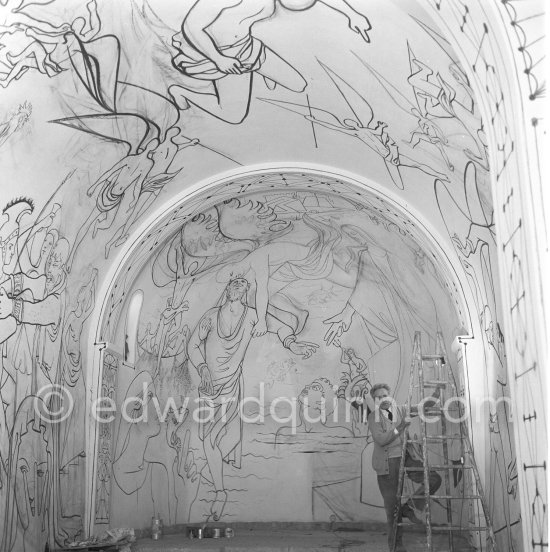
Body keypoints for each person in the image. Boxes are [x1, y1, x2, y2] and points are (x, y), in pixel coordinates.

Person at [187, 276, 318, 520]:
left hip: (230, 385)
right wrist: (202, 367)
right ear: (226, 290)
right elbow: (193, 345)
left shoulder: (252, 317)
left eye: (242, 288)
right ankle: (219, 489)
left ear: (246, 294)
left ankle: (218, 487)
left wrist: (292, 344)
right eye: (233, 286)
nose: (236, 291)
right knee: (210, 440)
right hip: (209, 386)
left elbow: (279, 326)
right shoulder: (210, 316)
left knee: (220, 438)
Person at [169, 0, 371, 124]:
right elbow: (191, 27)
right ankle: (181, 92)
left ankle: (259, 70)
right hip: (212, 55)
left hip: (246, 48)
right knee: (233, 116)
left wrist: (352, 14)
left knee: (298, 85)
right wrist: (219, 59)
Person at [367, 383, 442, 552]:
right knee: (393, 510)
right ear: (375, 400)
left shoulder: (400, 409)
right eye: (378, 397)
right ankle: (396, 546)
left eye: (385, 395)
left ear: (389, 395)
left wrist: (435, 395)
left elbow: (422, 407)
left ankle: (408, 508)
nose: (383, 399)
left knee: (434, 478)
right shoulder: (373, 417)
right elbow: (382, 440)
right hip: (387, 466)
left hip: (406, 458)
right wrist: (400, 428)